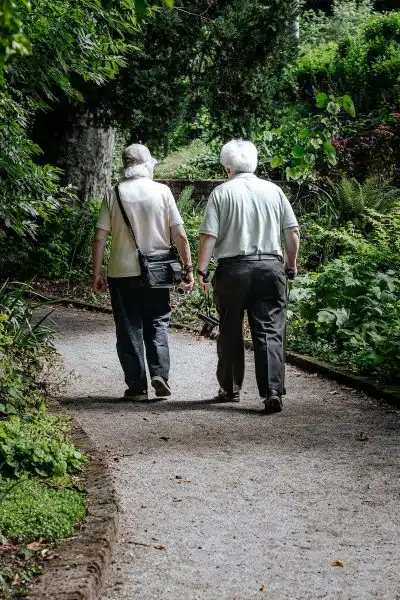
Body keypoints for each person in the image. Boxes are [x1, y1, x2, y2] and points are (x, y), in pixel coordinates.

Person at [197, 140, 300, 413]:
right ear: (255, 163)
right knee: (269, 331)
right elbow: (292, 233)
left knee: (230, 329)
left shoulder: (221, 193)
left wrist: (202, 270)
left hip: (232, 271)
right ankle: (272, 392)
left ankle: (230, 388)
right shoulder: (274, 191)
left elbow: (209, 236)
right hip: (269, 268)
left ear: (227, 167)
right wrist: (291, 264)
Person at [92, 143, 194, 400]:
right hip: (158, 272)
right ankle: (160, 374)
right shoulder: (163, 192)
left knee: (128, 327)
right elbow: (179, 234)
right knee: (158, 321)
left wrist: (97, 272)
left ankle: (137, 387)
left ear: (125, 166)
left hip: (121, 272)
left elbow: (99, 238)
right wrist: (187, 268)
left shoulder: (113, 193)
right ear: (148, 165)